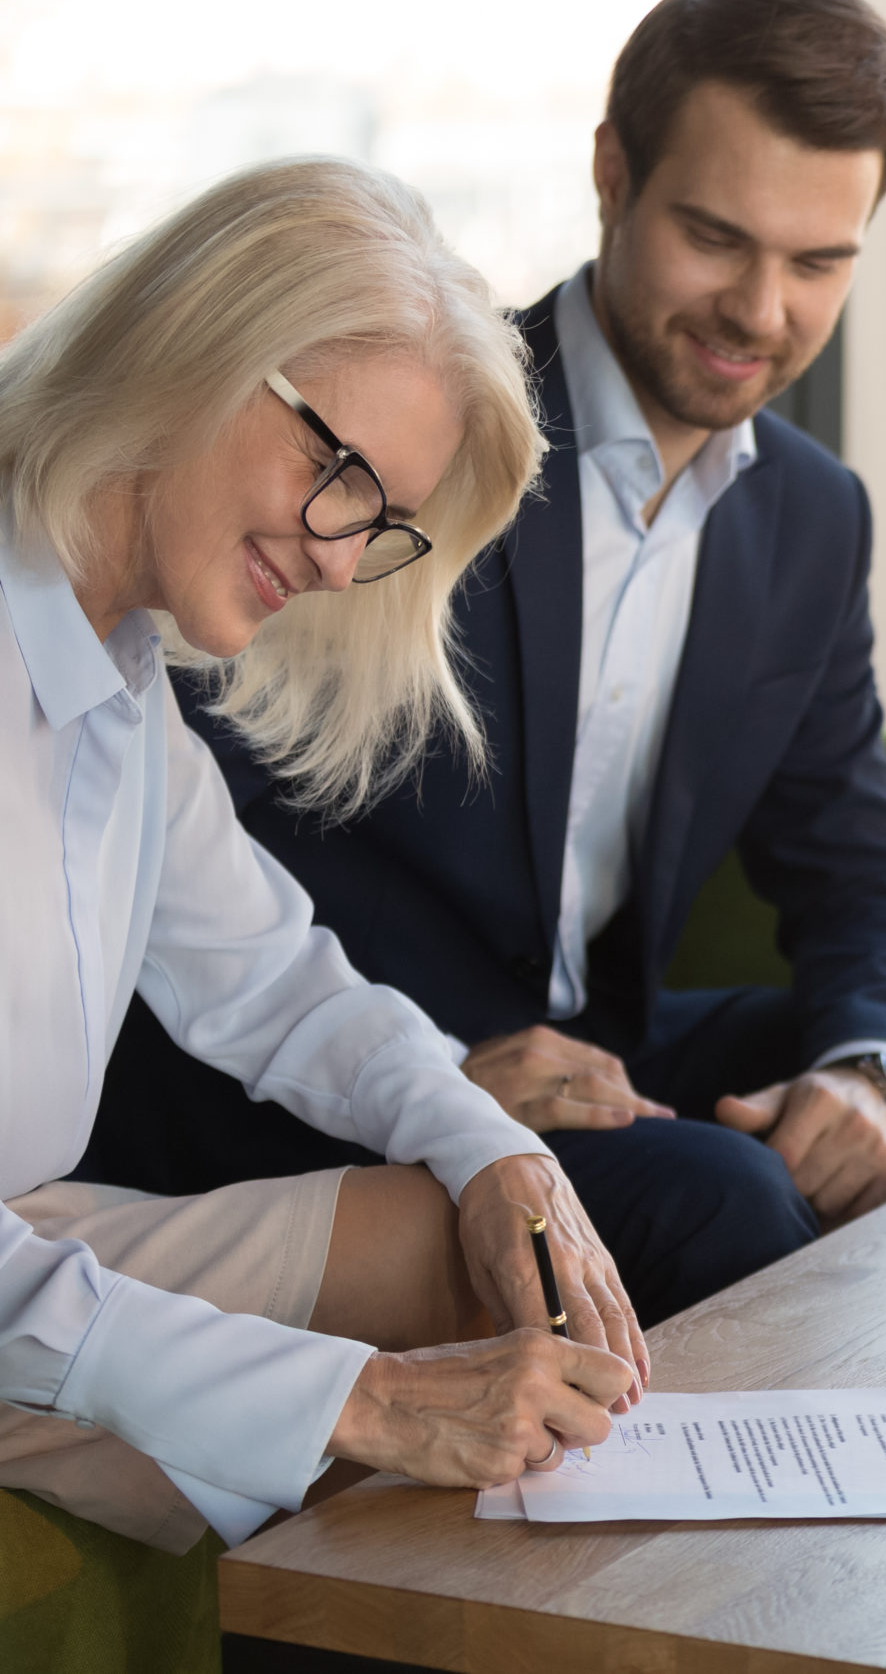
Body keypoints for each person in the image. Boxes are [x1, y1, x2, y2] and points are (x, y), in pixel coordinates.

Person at [82, 0, 886, 1330]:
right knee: (724, 1199)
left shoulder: (812, 516)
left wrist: (871, 1077)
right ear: (612, 173)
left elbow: (860, 868)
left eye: (820, 261)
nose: (763, 311)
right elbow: (184, 854)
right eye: (717, 237)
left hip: (608, 1053)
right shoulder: (408, 444)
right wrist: (439, 1075)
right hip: (354, 1075)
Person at [2, 157, 648, 1555]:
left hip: (21, 1242)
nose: (345, 562)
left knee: (483, 1267)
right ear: (203, 339)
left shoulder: (115, 674)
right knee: (376, 1428)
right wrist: (358, 1400)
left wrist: (497, 1156)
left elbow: (277, 986)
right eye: (338, 472)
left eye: (380, 518)